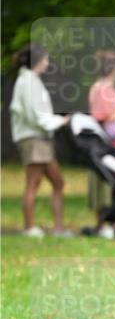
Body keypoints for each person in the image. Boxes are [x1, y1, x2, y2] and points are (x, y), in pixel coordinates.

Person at [9, 42, 71, 237]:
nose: (46, 63)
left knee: (58, 182)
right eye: (45, 59)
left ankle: (58, 228)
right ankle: (29, 227)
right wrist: (60, 121)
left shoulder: (33, 81)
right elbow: (35, 116)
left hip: (41, 139)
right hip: (33, 138)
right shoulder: (27, 82)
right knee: (34, 182)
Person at [87, 49, 115, 238]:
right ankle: (103, 223)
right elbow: (99, 115)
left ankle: (113, 222)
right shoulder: (102, 88)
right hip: (106, 142)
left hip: (112, 141)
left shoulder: (106, 88)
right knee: (105, 182)